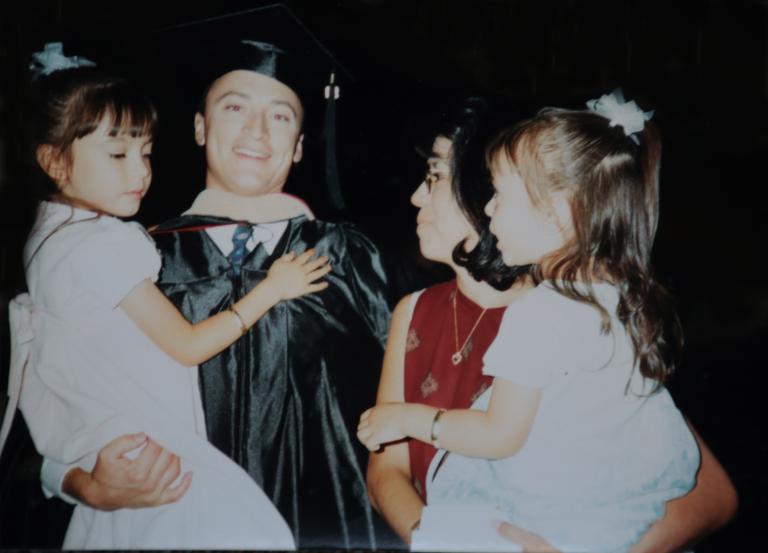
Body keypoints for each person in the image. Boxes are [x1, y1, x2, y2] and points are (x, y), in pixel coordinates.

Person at [36, 35, 393, 549]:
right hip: (170, 522)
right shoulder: (139, 258)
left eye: (280, 116)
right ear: (200, 128)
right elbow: (53, 390)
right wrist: (79, 482)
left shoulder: (348, 258)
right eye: (234, 107)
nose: (256, 131)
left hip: (320, 524)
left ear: (298, 145)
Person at [363, 97, 737, 552]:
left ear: (480, 191)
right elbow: (385, 471)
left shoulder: (554, 312)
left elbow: (702, 487)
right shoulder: (420, 310)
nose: (417, 195)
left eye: (436, 175)